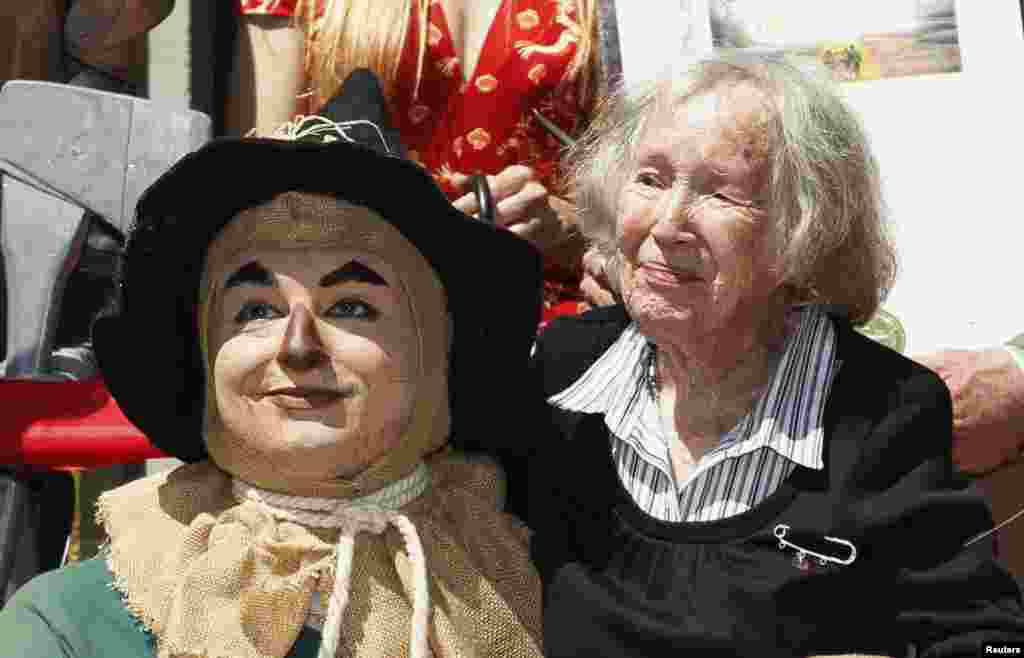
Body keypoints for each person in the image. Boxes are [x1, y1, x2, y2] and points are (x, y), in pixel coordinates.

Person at [0, 69, 545, 658]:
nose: (296, 346)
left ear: (438, 353)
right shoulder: (70, 629)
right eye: (255, 310)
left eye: (352, 307)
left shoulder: (535, 589)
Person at [523, 52, 1024, 656]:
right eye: (650, 180)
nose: (666, 222)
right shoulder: (563, 372)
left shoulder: (879, 412)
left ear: (800, 234)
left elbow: (985, 638)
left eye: (719, 194)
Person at [230, 0, 606, 323]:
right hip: (358, 316)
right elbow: (259, 194)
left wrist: (565, 225)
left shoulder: (609, 11)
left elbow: (638, 202)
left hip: (542, 323)